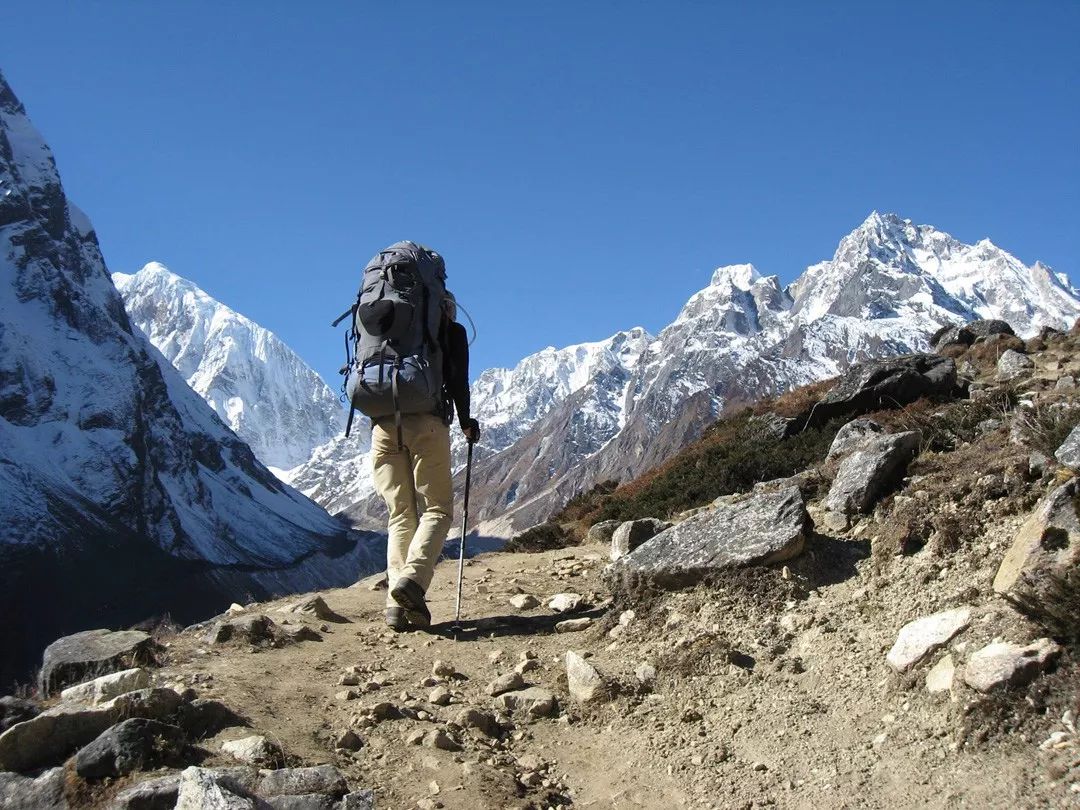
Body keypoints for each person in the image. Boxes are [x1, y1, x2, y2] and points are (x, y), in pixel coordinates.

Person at [372, 290, 480, 631]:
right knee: (437, 510)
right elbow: (458, 381)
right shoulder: (451, 331)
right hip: (427, 423)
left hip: (383, 426)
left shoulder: (385, 326)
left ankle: (395, 606)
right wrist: (466, 421)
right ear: (444, 307)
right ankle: (413, 583)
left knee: (400, 514)